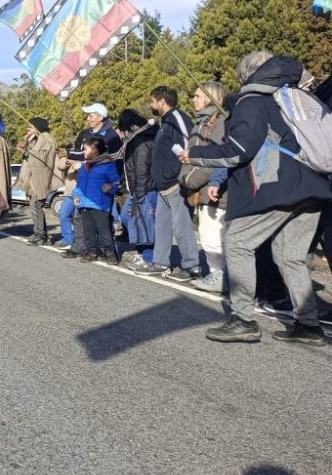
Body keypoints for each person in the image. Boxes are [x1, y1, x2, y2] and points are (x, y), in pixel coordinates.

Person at [185, 53, 332, 345]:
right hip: (313, 186)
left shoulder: (251, 101)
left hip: (275, 186)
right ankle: (309, 325)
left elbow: (238, 151)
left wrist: (195, 155)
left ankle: (243, 319)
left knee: (238, 243)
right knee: (290, 255)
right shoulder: (292, 98)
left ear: (247, 75)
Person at [130, 86, 199, 281]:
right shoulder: (165, 122)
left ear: (162, 101)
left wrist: (182, 177)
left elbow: (189, 146)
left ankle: (191, 266)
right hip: (162, 187)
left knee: (182, 228)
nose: (150, 105)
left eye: (152, 101)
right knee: (162, 227)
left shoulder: (178, 119)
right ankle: (160, 262)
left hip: (177, 184)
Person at [180, 82, 229, 293]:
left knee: (214, 235)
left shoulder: (220, 123)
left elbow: (217, 157)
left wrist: (190, 180)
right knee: (207, 233)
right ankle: (217, 274)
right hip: (201, 190)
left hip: (216, 191)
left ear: (211, 97)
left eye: (198, 95)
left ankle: (221, 276)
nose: (193, 99)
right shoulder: (199, 123)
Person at [65, 137, 120, 264]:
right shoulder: (84, 166)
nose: (83, 152)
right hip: (84, 203)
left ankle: (110, 253)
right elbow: (80, 184)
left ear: (95, 150)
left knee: (103, 229)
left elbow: (116, 183)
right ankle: (91, 252)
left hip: (100, 204)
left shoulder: (107, 164)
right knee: (87, 230)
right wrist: (76, 196)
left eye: (85, 149)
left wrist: (111, 187)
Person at [117, 109, 158, 269]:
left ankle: (149, 257)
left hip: (145, 189)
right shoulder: (135, 139)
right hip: (137, 190)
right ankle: (143, 252)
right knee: (127, 218)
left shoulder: (141, 140)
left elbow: (142, 168)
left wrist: (139, 194)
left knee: (144, 222)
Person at [17, 117, 58, 246]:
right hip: (33, 179)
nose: (28, 129)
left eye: (30, 127)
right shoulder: (36, 140)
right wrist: (26, 144)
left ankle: (41, 235)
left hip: (41, 179)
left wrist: (27, 151)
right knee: (34, 207)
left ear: (37, 128)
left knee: (37, 207)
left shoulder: (46, 139)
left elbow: (42, 159)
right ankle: (39, 233)